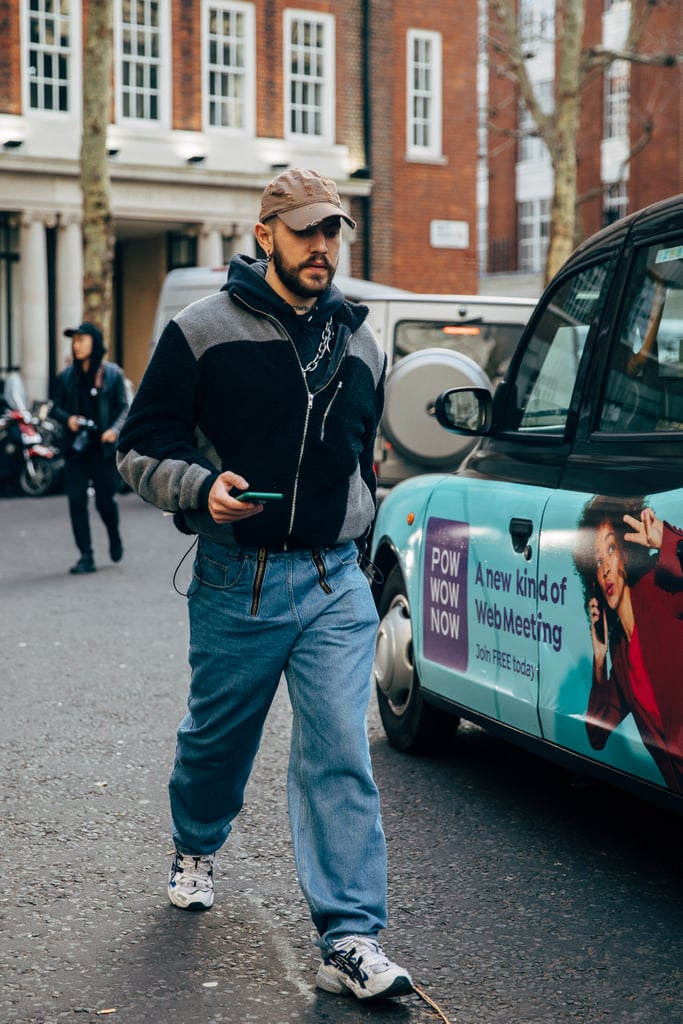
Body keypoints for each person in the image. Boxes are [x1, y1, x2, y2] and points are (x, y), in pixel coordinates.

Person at [117, 168, 413, 1001]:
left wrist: (359, 539)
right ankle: (195, 841)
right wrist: (196, 490)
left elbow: (359, 458)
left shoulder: (361, 341)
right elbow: (138, 448)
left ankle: (349, 934)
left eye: (333, 233)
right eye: (308, 231)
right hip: (233, 580)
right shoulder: (200, 330)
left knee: (339, 752)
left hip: (333, 585)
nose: (323, 247)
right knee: (217, 744)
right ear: (266, 235)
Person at [573, 495, 683, 793]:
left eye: (611, 548)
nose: (606, 567)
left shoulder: (657, 585)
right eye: (597, 560)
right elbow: (596, 735)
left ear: (625, 550)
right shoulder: (621, 652)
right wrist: (600, 658)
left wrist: (673, 543)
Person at [52, 322, 129, 575]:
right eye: (74, 341)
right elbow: (54, 408)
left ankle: (114, 535)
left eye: (81, 340)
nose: (76, 345)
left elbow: (124, 408)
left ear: (94, 343)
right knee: (76, 500)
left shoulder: (112, 375)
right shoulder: (66, 377)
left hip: (102, 449)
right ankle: (86, 555)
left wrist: (114, 431)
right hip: (76, 448)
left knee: (104, 502)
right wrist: (68, 420)